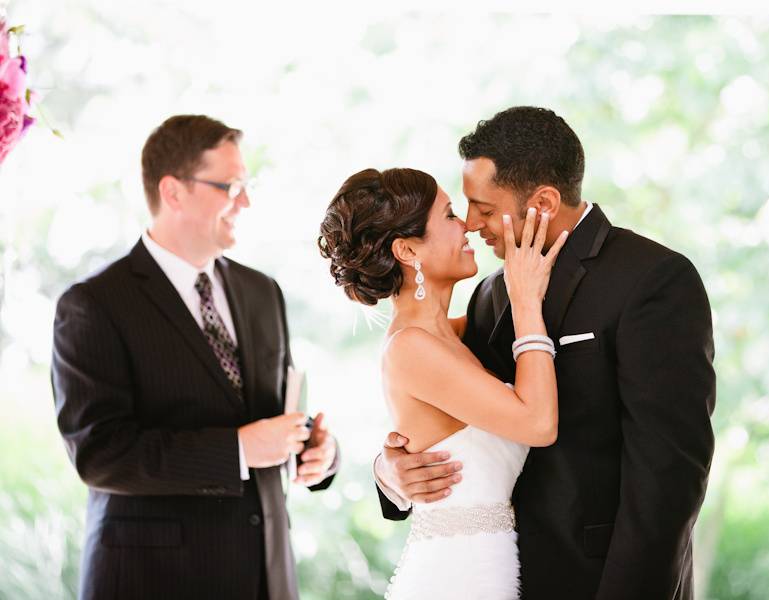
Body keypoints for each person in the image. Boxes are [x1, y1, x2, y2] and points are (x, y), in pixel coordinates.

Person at [374, 106, 716, 599]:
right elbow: (441, 407)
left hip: (597, 583)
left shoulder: (652, 280)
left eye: (486, 210)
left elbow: (670, 478)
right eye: (464, 208)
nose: (472, 224)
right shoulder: (491, 294)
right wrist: (390, 470)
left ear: (545, 202)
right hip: (496, 576)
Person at [51, 114, 338, 600]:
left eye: (246, 184)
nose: (244, 200)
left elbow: (265, 414)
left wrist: (315, 451)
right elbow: (100, 454)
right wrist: (240, 451)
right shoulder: (93, 304)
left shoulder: (261, 291)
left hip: (265, 575)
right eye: (229, 185)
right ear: (174, 191)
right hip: (153, 579)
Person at [318, 167, 568, 599]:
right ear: (408, 249)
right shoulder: (411, 348)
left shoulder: (454, 333)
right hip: (458, 577)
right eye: (450, 215)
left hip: (491, 565)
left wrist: (386, 463)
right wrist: (527, 303)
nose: (468, 224)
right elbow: (539, 423)